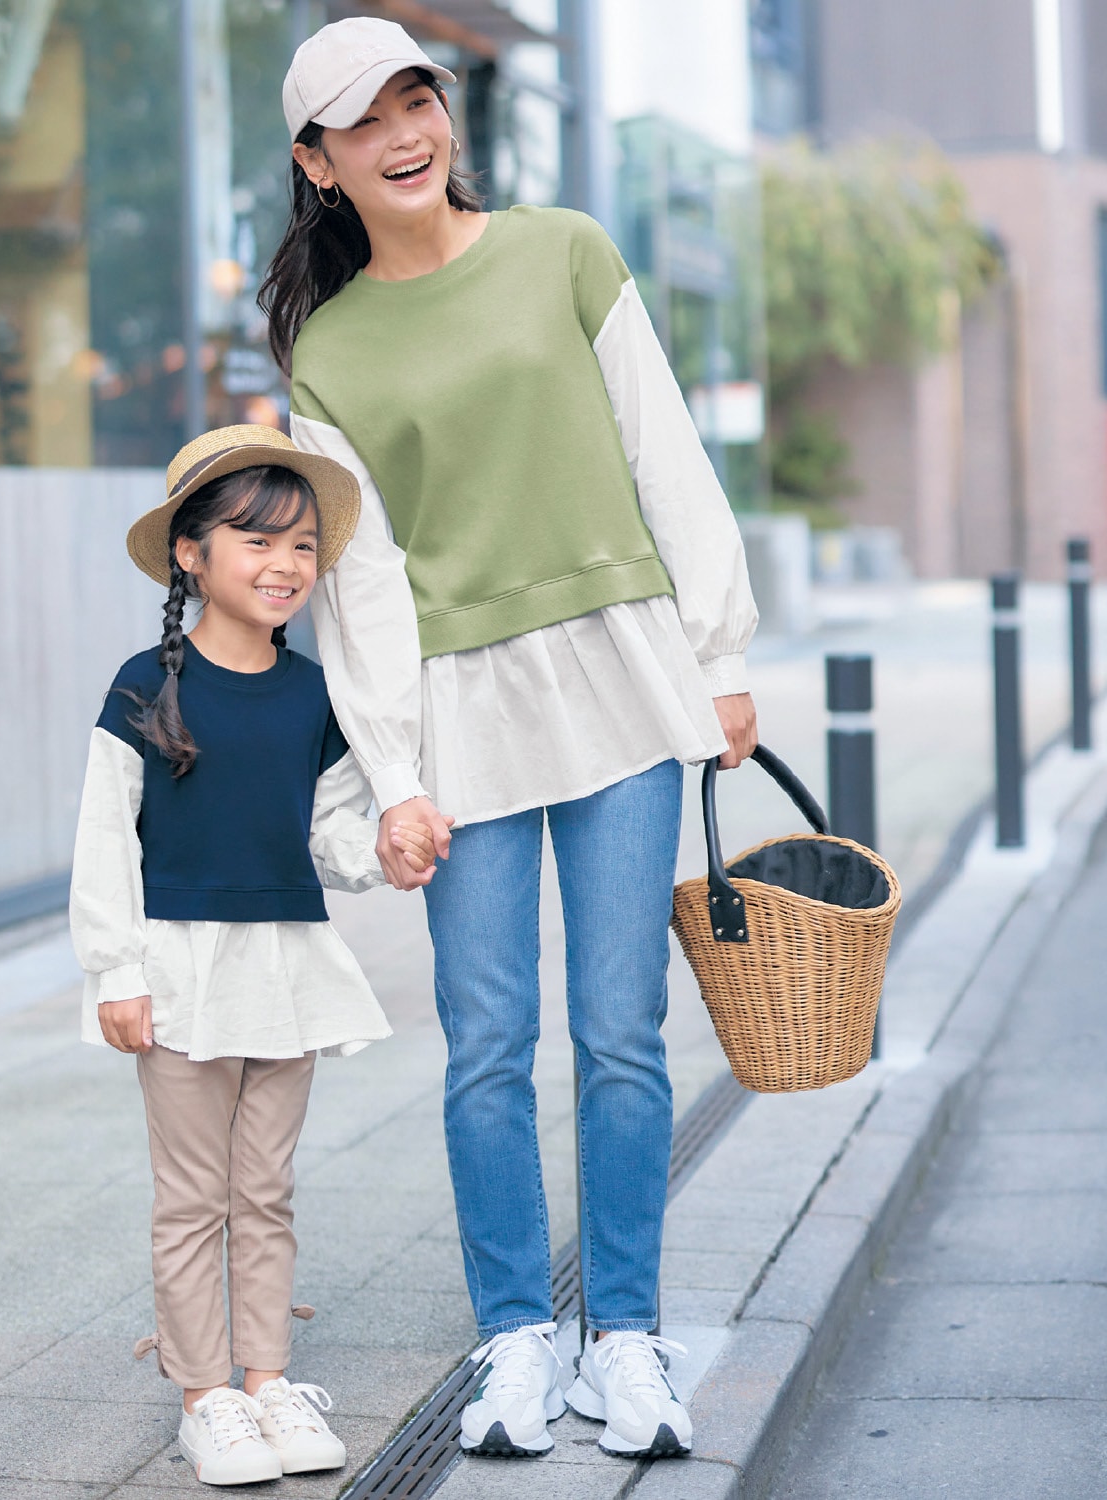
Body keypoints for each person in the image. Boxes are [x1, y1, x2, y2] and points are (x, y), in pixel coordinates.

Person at [261, 16, 760, 1465]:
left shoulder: (565, 253)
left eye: (421, 95)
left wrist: (719, 654)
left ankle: (628, 1340)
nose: (408, 128)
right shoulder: (332, 351)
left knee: (622, 1034)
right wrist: (397, 775)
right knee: (486, 1047)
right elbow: (360, 591)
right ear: (319, 161)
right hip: (459, 714)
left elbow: (665, 452)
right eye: (369, 117)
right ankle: (513, 1343)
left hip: (619, 679)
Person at [69, 424, 444, 1487]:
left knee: (266, 1190)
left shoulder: (317, 695)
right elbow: (105, 838)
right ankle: (205, 1397)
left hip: (286, 968)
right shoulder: (144, 685)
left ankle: (268, 1378)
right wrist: (116, 972)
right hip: (179, 969)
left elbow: (325, 836)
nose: (284, 565)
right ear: (191, 553)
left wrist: (384, 849)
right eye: (255, 540)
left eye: (302, 547)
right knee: (193, 1195)